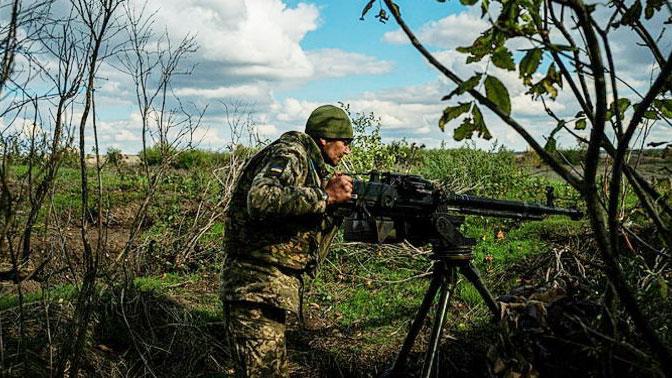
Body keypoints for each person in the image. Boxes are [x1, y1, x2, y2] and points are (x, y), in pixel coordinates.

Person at [220, 104, 354, 377]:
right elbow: (260, 197)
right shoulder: (291, 153)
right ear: (324, 139)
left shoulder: (309, 162)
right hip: (254, 287)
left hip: (268, 291)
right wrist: (325, 197)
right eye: (345, 142)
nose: (347, 150)